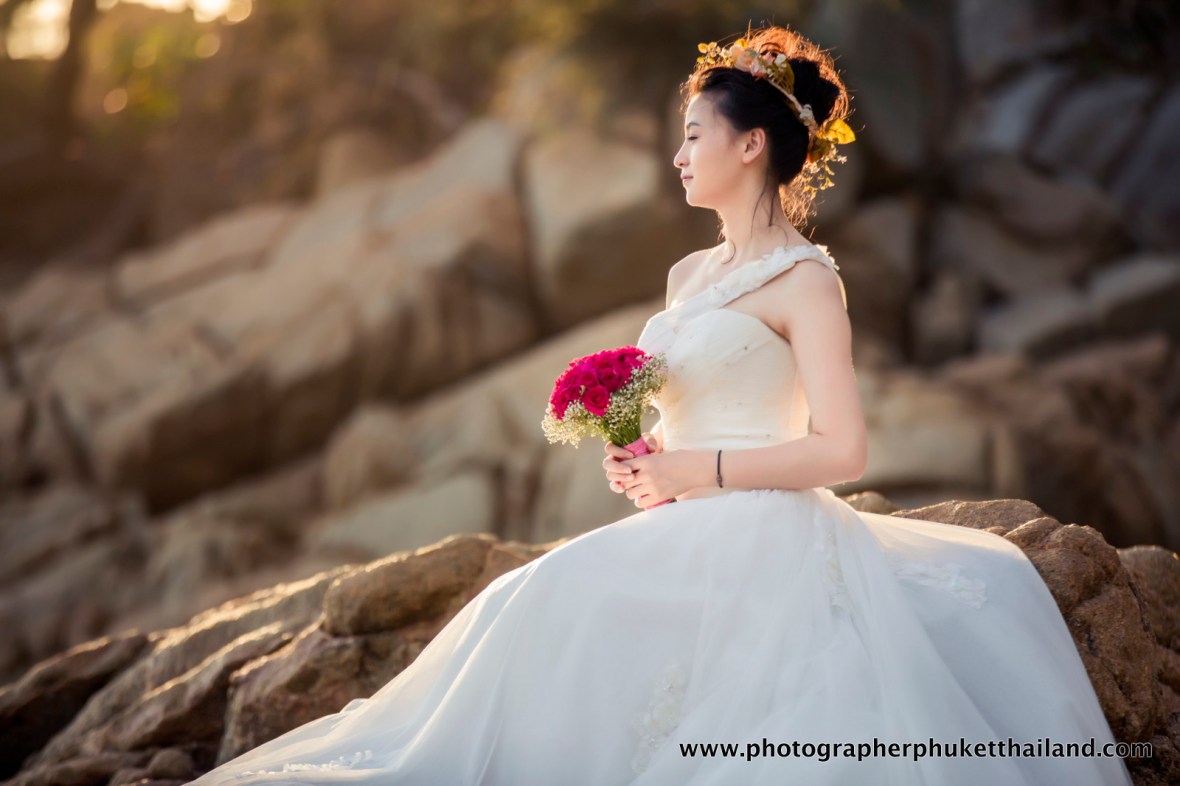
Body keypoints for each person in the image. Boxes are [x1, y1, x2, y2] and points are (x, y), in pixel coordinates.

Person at [186, 23, 1134, 786]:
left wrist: (699, 471)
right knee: (527, 601)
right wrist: (644, 463)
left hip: (767, 528)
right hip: (688, 520)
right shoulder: (688, 274)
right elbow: (689, 409)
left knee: (555, 602)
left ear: (752, 143)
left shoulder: (807, 280)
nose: (677, 154)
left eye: (693, 134)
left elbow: (844, 449)